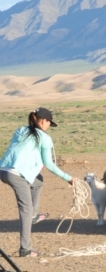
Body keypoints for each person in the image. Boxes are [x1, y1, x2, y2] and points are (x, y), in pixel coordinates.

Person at [0, 108, 73, 257]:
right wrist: (69, 178)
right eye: (49, 123)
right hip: (16, 174)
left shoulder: (21, 130)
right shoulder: (44, 138)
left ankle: (34, 215)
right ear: (43, 120)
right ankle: (25, 249)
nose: (48, 127)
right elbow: (50, 165)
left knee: (38, 181)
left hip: (3, 169)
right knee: (25, 211)